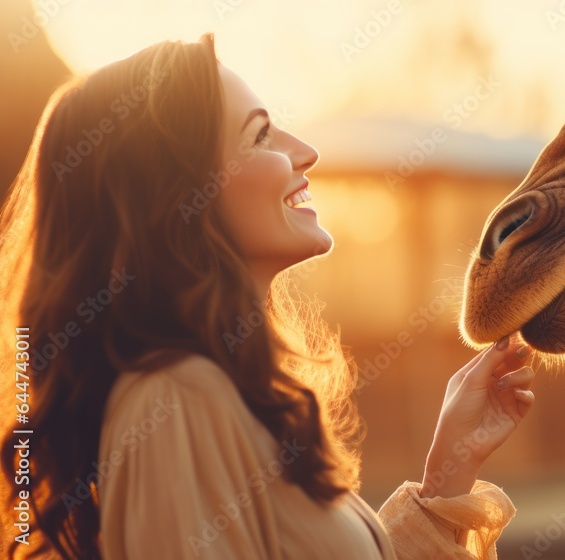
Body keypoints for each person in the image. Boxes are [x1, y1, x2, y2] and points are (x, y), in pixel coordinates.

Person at [0, 34, 536, 560]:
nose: (306, 152)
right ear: (176, 193)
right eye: (260, 136)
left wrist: (452, 462)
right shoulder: (177, 400)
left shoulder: (217, 391)